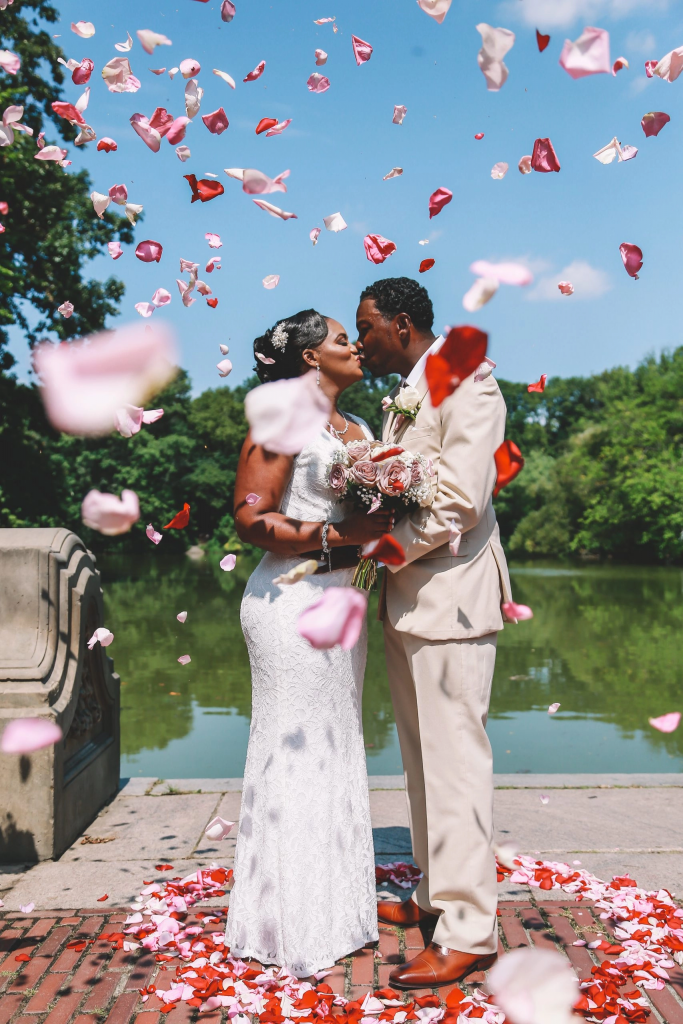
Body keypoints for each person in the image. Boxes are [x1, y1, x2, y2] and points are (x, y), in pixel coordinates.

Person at [355, 278, 513, 988]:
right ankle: (431, 896)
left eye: (366, 328)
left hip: (450, 601)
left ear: (401, 323)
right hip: (408, 601)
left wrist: (377, 553)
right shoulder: (407, 393)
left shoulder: (464, 380)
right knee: (423, 765)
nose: (360, 341)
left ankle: (470, 931)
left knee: (456, 769)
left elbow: (456, 500)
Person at [226, 309, 391, 976]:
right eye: (341, 340)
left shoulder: (359, 429)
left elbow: (368, 518)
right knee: (293, 747)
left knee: (334, 743)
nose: (354, 347)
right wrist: (339, 537)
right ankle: (285, 923)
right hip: (288, 602)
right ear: (308, 359)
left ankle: (336, 911)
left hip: (342, 600)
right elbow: (250, 519)